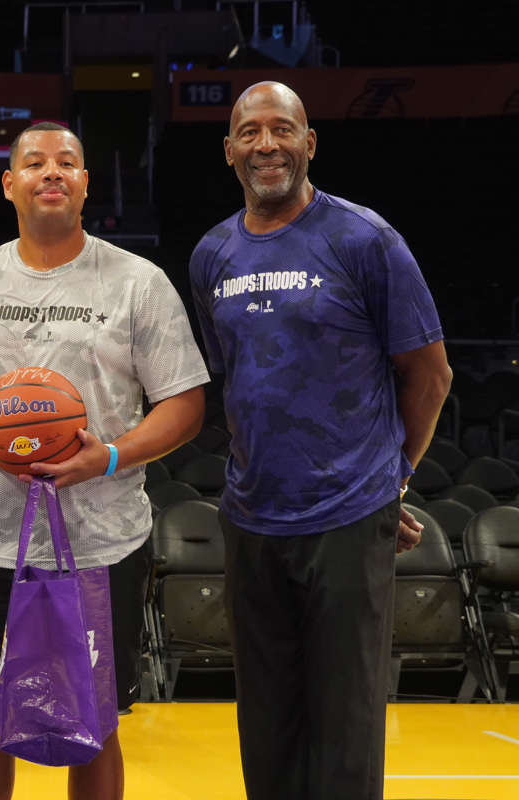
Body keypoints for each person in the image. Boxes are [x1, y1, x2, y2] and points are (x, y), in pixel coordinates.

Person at [0, 121, 210, 800]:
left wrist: (109, 456)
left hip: (101, 544)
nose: (51, 172)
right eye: (35, 163)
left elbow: (185, 403)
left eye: (67, 162)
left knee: (95, 721)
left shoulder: (138, 282)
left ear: (84, 183)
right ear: (8, 184)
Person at [188, 81, 452, 800]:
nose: (266, 144)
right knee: (267, 725)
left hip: (347, 517)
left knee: (345, 725)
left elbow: (429, 375)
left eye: (282, 129)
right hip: (250, 517)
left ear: (309, 142)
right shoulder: (212, 254)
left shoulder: (365, 239)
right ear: (229, 151)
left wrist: (390, 480)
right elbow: (235, 378)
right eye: (250, 132)